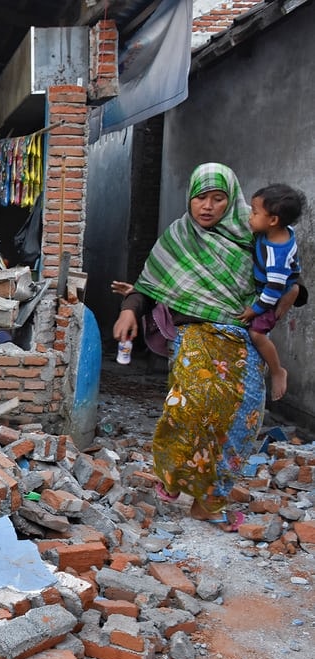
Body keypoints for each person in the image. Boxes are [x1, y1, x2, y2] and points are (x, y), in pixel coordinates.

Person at [112, 162, 302, 532]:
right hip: (195, 333)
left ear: (233, 202)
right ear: (190, 198)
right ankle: (173, 479)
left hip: (243, 340)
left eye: (219, 199)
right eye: (201, 197)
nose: (208, 206)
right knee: (189, 408)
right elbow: (150, 285)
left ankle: (209, 501)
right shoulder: (178, 237)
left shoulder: (256, 236)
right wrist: (128, 310)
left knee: (241, 422)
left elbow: (289, 280)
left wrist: (282, 302)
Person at [235, 184, 306, 401]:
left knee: (256, 333)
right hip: (280, 284)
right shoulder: (278, 232)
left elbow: (273, 291)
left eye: (255, 213)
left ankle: (277, 371)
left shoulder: (276, 256)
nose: (250, 216)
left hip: (273, 294)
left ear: (273, 220)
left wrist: (254, 310)